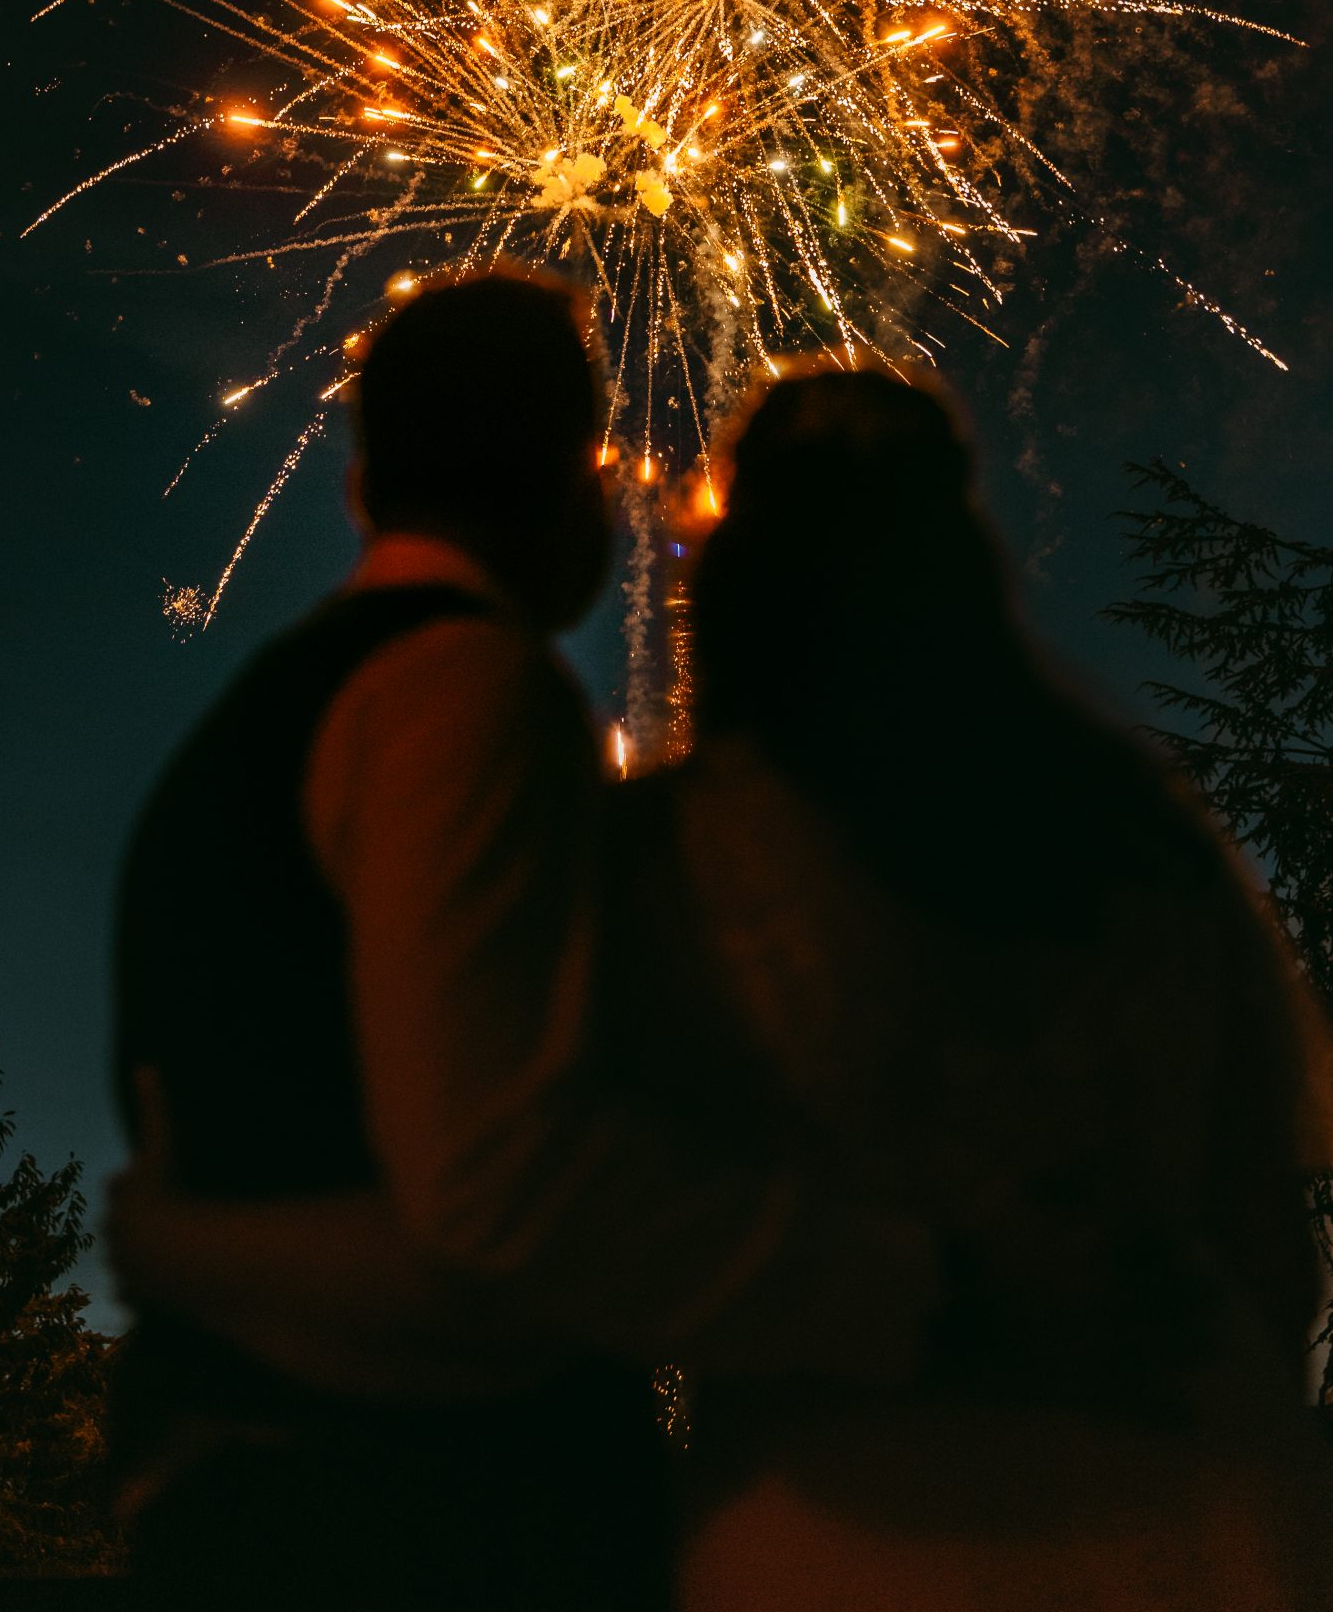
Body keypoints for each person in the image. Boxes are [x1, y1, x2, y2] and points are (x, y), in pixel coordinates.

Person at [110, 278, 936, 1610]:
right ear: (576, 476)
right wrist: (904, 1293)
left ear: (362, 485)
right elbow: (498, 1179)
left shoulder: (254, 728)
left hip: (281, 1488)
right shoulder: (464, 689)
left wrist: (177, 1251)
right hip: (412, 1519)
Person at [668, 363, 1333, 1609]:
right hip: (1199, 1480)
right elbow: (1268, 1236)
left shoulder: (685, 850)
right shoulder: (1136, 838)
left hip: (858, 1510)